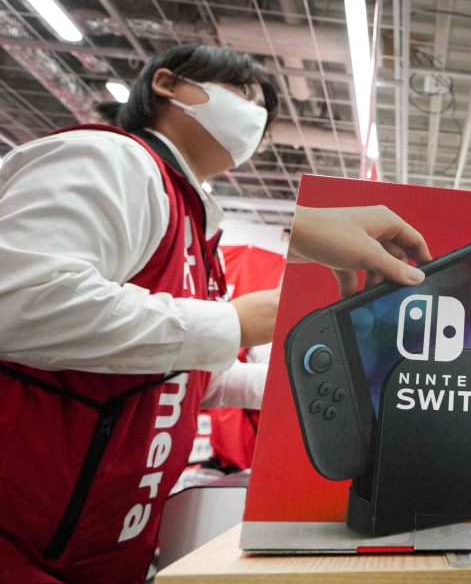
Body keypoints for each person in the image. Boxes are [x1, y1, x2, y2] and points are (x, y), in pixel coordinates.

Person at [0, 44, 430, 584]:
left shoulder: (197, 229)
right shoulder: (113, 160)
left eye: (264, 112)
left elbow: (179, 379)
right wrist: (234, 323)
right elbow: (17, 302)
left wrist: (314, 381)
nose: (255, 114)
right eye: (245, 92)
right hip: (24, 538)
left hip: (106, 544)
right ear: (167, 85)